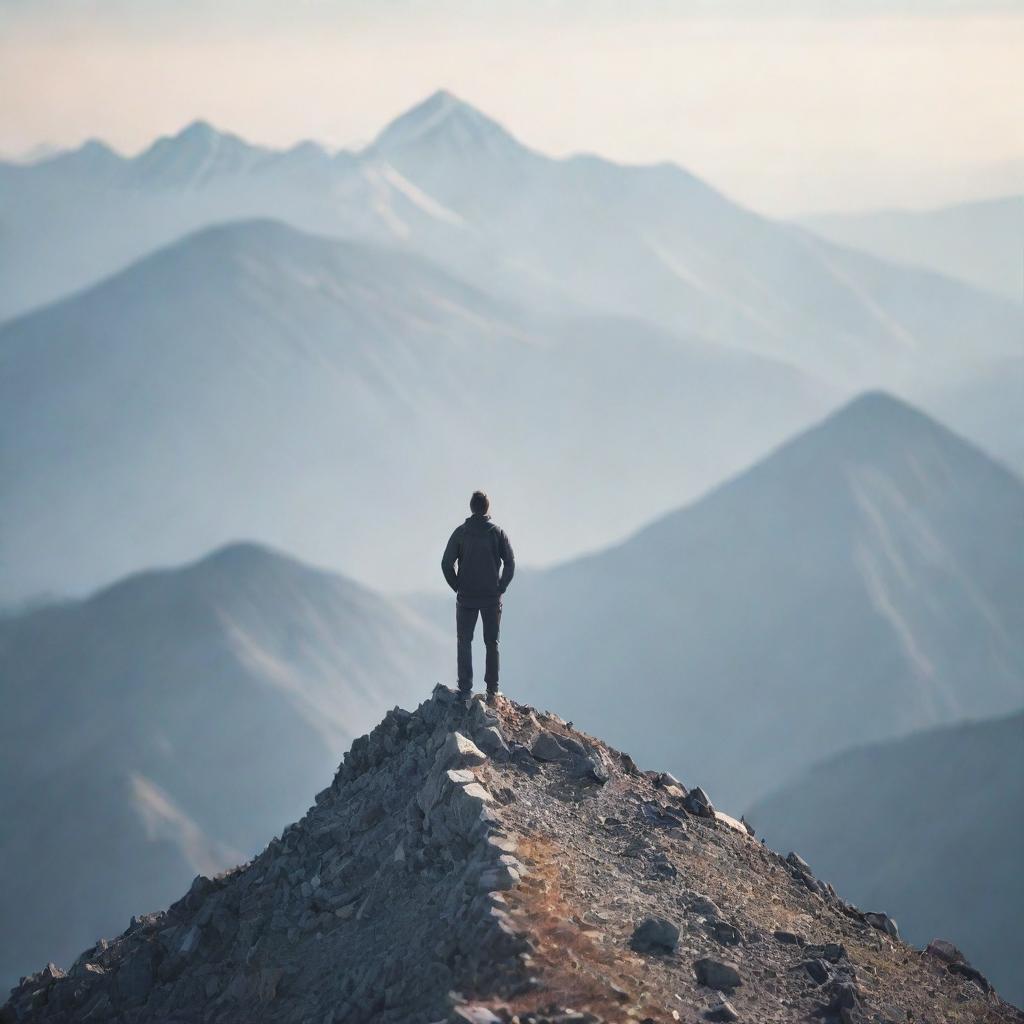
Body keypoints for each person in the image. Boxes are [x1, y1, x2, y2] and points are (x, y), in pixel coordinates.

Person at [441, 491, 515, 705]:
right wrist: (501, 586)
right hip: (491, 598)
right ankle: (493, 690)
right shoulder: (497, 533)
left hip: (467, 598)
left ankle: (465, 689)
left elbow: (446, 564)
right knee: (492, 642)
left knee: (464, 641)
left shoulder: (461, 533)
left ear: (472, 508)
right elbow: (510, 562)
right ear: (487, 509)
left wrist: (458, 586)